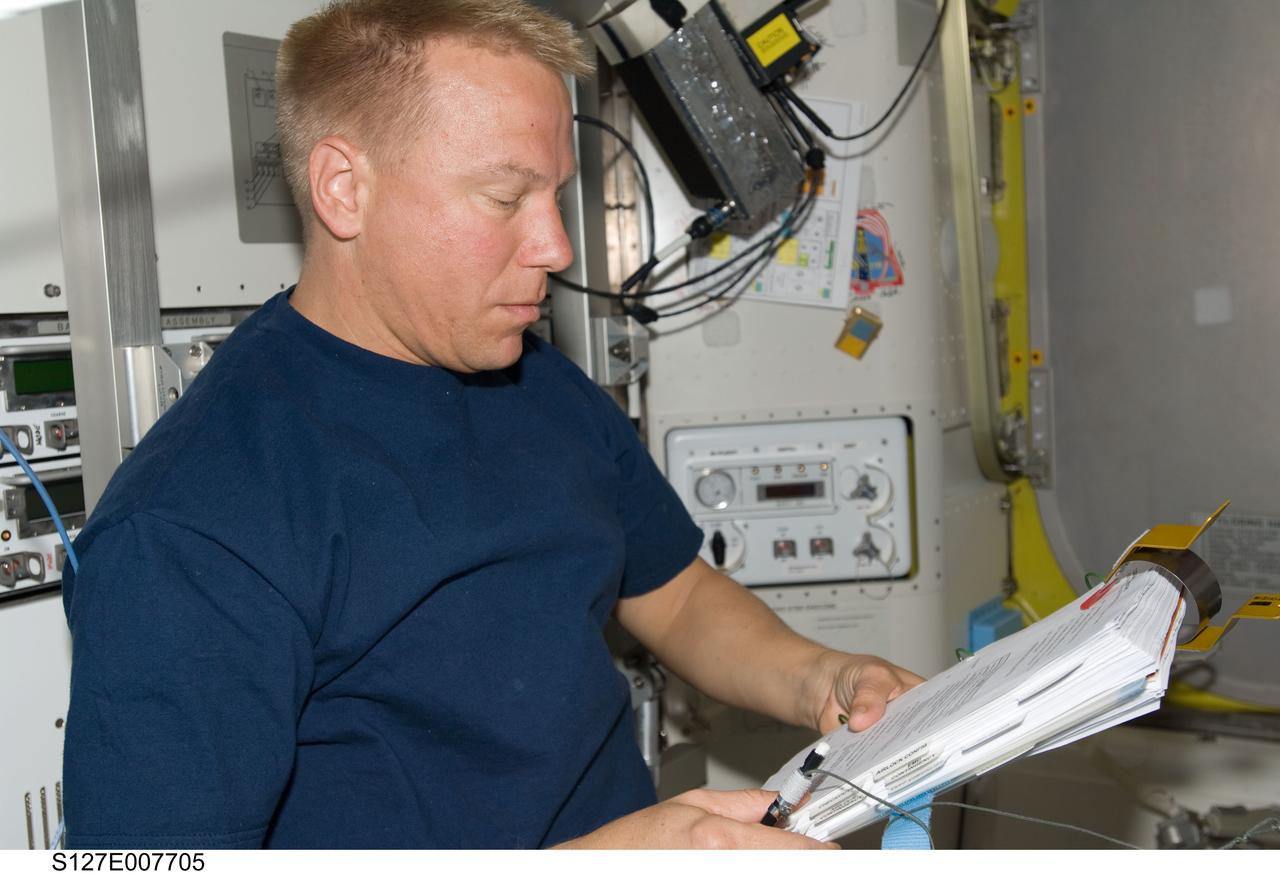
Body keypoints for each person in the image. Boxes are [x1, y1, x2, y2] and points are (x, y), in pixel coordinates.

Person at [60, 0, 922, 849]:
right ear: (343, 188)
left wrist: (820, 679)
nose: (555, 247)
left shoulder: (531, 378)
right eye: (506, 197)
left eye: (555, 195)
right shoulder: (191, 530)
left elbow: (675, 592)